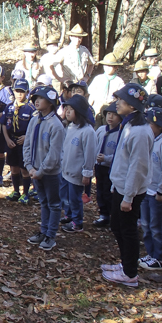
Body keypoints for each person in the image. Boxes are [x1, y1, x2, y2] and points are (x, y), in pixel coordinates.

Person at [101, 83, 153, 288]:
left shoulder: (140, 132)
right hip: (121, 186)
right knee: (117, 227)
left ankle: (130, 273)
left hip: (130, 190)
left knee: (128, 230)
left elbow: (137, 167)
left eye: (121, 101)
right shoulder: (128, 125)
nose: (117, 104)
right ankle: (125, 265)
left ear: (132, 106)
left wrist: (129, 197)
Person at [24, 86, 65, 251]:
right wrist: (29, 166)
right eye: (35, 99)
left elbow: (53, 155)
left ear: (50, 102)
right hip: (35, 172)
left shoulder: (56, 125)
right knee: (43, 202)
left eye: (40, 98)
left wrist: (41, 171)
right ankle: (43, 230)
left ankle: (51, 235)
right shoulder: (34, 120)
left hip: (50, 174)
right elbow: (27, 144)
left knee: (54, 204)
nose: (36, 101)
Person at [138, 108, 162, 270]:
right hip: (146, 191)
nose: (147, 126)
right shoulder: (150, 140)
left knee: (156, 227)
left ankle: (159, 258)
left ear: (159, 125)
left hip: (158, 194)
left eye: (150, 123)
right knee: (147, 226)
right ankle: (150, 253)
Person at [60, 95, 97, 233]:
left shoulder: (88, 132)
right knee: (66, 197)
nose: (67, 112)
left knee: (75, 198)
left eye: (71, 109)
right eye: (66, 109)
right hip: (66, 170)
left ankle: (77, 222)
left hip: (77, 173)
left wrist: (87, 173)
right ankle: (68, 216)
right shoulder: (69, 127)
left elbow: (90, 154)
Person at [1, 78, 34, 203]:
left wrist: (27, 137)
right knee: (13, 167)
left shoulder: (30, 109)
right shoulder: (9, 107)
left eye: (22, 92)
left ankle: (25, 193)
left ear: (27, 93)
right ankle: (16, 191)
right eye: (17, 91)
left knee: (24, 169)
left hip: (24, 143)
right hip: (11, 141)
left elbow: (35, 127)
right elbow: (4, 124)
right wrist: (7, 139)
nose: (19, 94)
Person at [93, 102, 122, 227]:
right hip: (99, 166)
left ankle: (113, 216)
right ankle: (103, 214)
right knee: (100, 191)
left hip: (111, 167)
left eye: (114, 115)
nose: (110, 117)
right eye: (108, 113)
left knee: (109, 192)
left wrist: (106, 158)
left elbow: (120, 154)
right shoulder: (101, 130)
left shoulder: (120, 133)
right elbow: (95, 145)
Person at [88, 53, 125, 128]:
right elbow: (92, 94)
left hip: (110, 108)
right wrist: (89, 107)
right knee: (95, 126)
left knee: (107, 127)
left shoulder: (119, 81)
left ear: (116, 67)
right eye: (105, 65)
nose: (107, 68)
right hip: (97, 107)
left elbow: (121, 98)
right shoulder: (98, 78)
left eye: (110, 66)